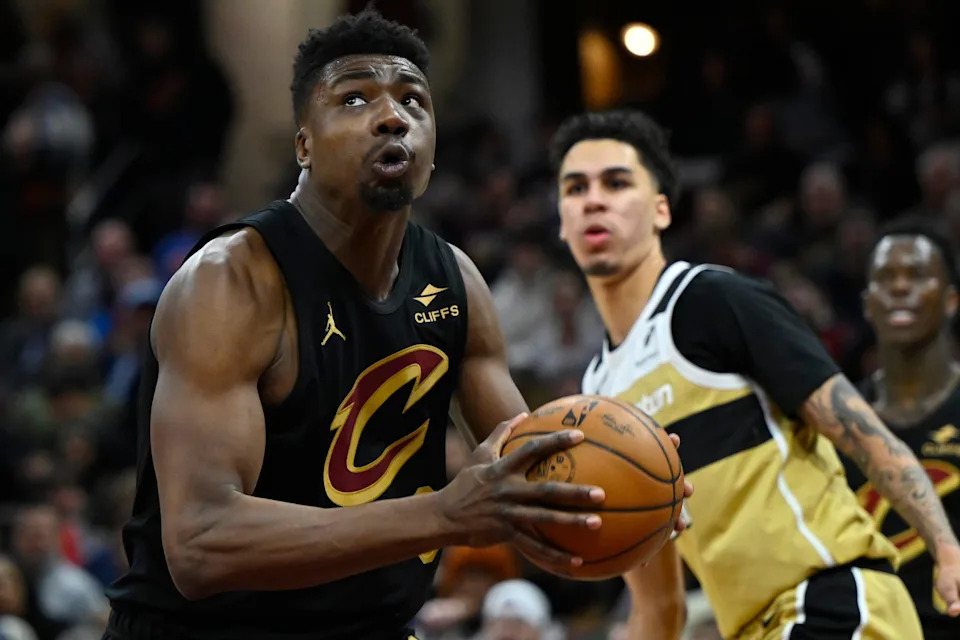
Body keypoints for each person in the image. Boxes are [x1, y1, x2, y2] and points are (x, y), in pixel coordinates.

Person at [100, 12, 691, 640]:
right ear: (304, 144)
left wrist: (625, 488)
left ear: (434, 145)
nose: (391, 117)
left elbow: (525, 482)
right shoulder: (231, 283)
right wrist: (440, 513)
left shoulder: (456, 283)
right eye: (354, 98)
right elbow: (200, 544)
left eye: (413, 101)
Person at [550, 108, 960, 639]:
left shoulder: (713, 300)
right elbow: (659, 606)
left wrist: (947, 548)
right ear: (561, 220)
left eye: (617, 182)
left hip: (832, 602)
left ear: (661, 211)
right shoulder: (597, 395)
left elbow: (863, 433)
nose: (594, 199)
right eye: (575, 188)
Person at [841, 218, 960, 638]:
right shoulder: (836, 419)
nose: (899, 287)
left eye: (917, 275)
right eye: (886, 278)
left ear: (951, 300)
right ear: (868, 302)